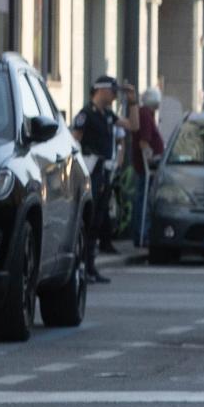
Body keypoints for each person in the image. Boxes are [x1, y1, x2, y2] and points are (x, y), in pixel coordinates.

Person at [72, 76, 131, 281]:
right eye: (112, 91)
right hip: (91, 170)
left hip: (105, 171)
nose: (115, 96)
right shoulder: (85, 114)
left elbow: (132, 125)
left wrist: (134, 102)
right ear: (101, 91)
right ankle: (81, 266)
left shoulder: (107, 115)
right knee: (88, 219)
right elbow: (74, 141)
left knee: (98, 220)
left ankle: (91, 266)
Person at [129, 87, 167, 247]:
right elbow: (144, 142)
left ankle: (142, 234)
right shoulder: (145, 115)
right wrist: (151, 159)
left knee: (143, 200)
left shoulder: (147, 114)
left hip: (146, 167)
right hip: (145, 168)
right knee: (143, 201)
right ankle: (141, 234)